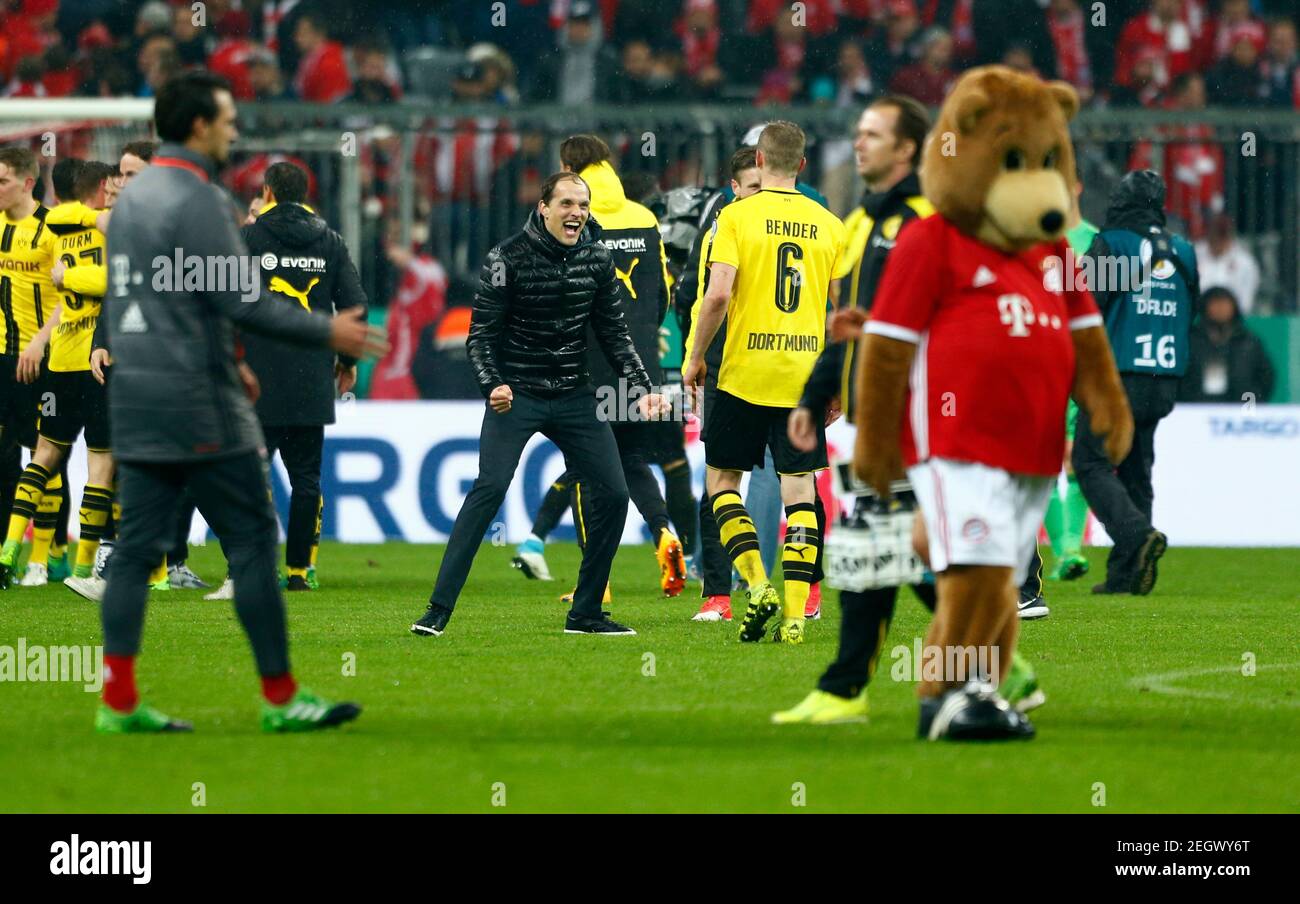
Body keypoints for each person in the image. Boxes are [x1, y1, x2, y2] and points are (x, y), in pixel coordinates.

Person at [93, 70, 384, 733]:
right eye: (226, 118)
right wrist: (327, 330)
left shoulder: (131, 202)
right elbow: (240, 298)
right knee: (255, 541)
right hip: (197, 397)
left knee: (137, 551)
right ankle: (282, 699)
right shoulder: (203, 200)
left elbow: (160, 296)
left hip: (139, 394)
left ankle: (118, 702)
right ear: (199, 125)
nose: (233, 128)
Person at [410, 172, 666, 639]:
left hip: (573, 394)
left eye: (583, 205)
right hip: (517, 395)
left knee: (614, 493)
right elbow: (480, 337)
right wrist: (493, 385)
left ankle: (586, 614)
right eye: (566, 203)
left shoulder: (597, 259)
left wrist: (644, 385)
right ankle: (437, 609)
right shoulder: (505, 258)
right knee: (488, 490)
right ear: (544, 208)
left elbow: (614, 334)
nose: (577, 213)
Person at [771, 95, 942, 722]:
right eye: (858, 132)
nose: (859, 142)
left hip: (922, 418)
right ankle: (846, 688)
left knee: (902, 554)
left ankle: (848, 688)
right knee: (883, 554)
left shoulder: (931, 222)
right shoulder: (861, 225)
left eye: (874, 134)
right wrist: (815, 396)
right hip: (876, 418)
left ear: (907, 149)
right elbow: (850, 326)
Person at [683, 121, 848, 646]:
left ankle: (756, 586)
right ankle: (796, 617)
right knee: (801, 493)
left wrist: (695, 355)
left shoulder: (735, 215)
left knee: (722, 484)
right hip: (802, 378)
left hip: (743, 374)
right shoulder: (829, 224)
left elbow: (716, 296)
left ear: (757, 160)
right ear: (803, 165)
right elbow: (837, 313)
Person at [511, 135, 688, 601]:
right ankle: (665, 533)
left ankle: (599, 583)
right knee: (631, 459)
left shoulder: (575, 216)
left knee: (586, 469)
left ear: (569, 165)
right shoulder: (644, 217)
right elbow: (665, 293)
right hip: (640, 363)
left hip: (586, 362)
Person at [238, 160, 367, 592]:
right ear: (305, 194)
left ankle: (257, 563)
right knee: (307, 476)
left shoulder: (247, 238)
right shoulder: (329, 241)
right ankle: (300, 569)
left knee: (253, 472)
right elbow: (356, 307)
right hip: (311, 375)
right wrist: (347, 363)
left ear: (268, 192)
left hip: (257, 375)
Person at [1075, 170, 1196, 596]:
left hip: (1117, 376)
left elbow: (1083, 310)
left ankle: (1136, 536)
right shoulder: (1183, 250)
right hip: (1164, 376)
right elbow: (1190, 310)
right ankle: (1127, 575)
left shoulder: (1114, 245)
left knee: (1089, 463)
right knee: (1135, 467)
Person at [2, 161, 113, 591]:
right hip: (95, 361)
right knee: (100, 463)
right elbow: (117, 280)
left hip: (58, 356)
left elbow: (65, 215)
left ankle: (12, 546)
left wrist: (68, 274)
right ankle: (83, 570)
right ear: (103, 188)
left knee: (44, 454)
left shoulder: (59, 223)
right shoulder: (110, 228)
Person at [677, 147, 763, 621]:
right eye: (751, 187)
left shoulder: (773, 228)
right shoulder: (720, 231)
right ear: (733, 189)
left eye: (763, 186)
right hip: (727, 369)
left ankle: (806, 593)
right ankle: (718, 594)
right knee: (719, 481)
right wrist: (698, 356)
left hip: (779, 365)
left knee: (800, 482)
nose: (758, 195)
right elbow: (697, 295)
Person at [0, 146, 62, 590]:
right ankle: (6, 556)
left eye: (2, 180)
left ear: (26, 182)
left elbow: (68, 297)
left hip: (42, 360)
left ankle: (46, 557)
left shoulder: (51, 229)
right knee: (4, 461)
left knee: (45, 458)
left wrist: (40, 342)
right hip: (1, 358)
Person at [1041, 178, 1098, 585]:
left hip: (1080, 363)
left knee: (1076, 457)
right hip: (1039, 361)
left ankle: (1071, 549)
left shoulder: (1096, 242)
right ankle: (1063, 549)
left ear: (1077, 188)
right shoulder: (1028, 239)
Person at [1178, 287, 1274, 404]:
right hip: (1194, 410)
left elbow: (1265, 376)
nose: (1220, 309)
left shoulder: (1248, 341)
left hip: (1239, 408)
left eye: (1225, 304)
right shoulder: (1190, 340)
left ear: (1234, 307)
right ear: (1205, 307)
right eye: (1215, 304)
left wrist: (1252, 401)